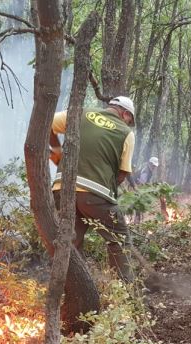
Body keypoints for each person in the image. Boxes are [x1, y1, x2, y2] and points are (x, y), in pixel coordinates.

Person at [49, 96, 136, 283]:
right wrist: (106, 191)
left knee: (71, 241)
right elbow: (122, 174)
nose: (130, 123)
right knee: (118, 240)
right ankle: (124, 293)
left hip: (62, 189)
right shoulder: (126, 133)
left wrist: (57, 156)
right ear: (125, 113)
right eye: (130, 119)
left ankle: (73, 288)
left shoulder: (81, 113)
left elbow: (47, 124)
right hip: (95, 194)